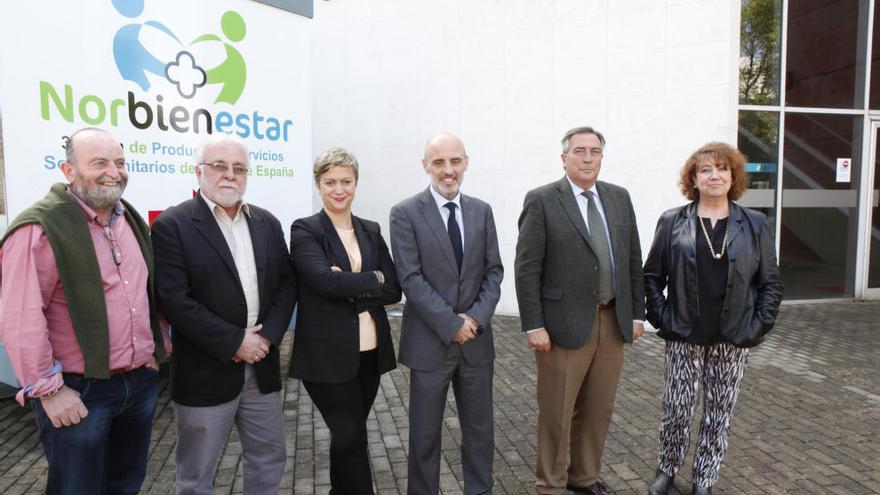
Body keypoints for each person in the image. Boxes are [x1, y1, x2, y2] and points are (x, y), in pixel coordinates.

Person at [0, 127, 169, 494]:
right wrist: (49, 392)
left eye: (120, 162)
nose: (114, 171)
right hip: (79, 392)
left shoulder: (129, 218)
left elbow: (147, 295)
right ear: (68, 171)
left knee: (125, 485)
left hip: (138, 384)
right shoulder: (40, 227)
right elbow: (20, 319)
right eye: (99, 163)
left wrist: (158, 351)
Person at [151, 134, 296, 495]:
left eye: (239, 168)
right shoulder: (173, 225)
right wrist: (235, 341)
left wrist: (265, 339)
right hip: (205, 370)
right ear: (199, 171)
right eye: (220, 166)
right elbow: (173, 299)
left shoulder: (266, 222)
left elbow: (287, 285)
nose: (230, 175)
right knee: (196, 473)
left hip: (260, 365)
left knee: (268, 458)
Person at [643, 142, 783, 495]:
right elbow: (651, 276)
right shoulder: (673, 220)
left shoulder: (754, 223)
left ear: (733, 176)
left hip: (733, 338)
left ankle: (704, 480)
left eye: (722, 168)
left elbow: (771, 282)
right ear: (693, 178)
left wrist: (758, 325)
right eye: (705, 169)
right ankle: (667, 469)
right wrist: (662, 318)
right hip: (684, 334)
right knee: (676, 410)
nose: (714, 175)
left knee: (718, 413)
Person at [514, 126, 645, 495]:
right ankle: (551, 484)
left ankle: (584, 477)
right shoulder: (541, 200)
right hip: (562, 325)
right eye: (579, 151)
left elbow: (632, 258)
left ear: (602, 157)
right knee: (557, 411)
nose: (588, 157)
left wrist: (636, 314)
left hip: (612, 319)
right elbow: (527, 268)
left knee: (597, 409)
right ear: (564, 158)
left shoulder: (619, 198)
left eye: (595, 151)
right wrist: (533, 324)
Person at [390, 132, 503, 495]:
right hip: (429, 344)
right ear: (426, 166)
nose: (448, 169)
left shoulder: (481, 211)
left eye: (455, 161)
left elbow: (494, 271)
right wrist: (450, 323)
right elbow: (410, 277)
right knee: (424, 436)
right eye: (438, 162)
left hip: (475, 343)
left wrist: (474, 318)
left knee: (480, 432)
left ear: (466, 163)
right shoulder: (405, 213)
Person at [288, 147, 402, 494]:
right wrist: (373, 278)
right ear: (318, 185)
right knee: (352, 435)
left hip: (369, 352)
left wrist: (350, 283)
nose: (339, 189)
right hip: (325, 357)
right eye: (330, 182)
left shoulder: (370, 229)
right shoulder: (305, 230)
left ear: (356, 183)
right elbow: (324, 281)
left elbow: (395, 287)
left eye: (346, 181)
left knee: (348, 434)